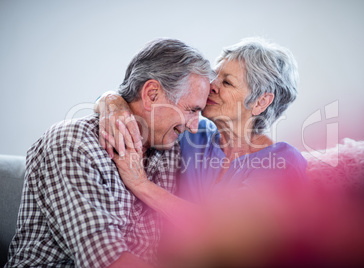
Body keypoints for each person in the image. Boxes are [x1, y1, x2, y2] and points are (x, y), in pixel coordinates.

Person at [98, 37, 307, 266]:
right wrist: (112, 103)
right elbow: (136, 100)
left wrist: (141, 184)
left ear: (260, 102)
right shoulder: (195, 132)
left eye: (227, 82)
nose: (212, 85)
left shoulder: (282, 162)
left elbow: (221, 232)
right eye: (215, 76)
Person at [5, 38, 213, 268]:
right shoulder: (73, 144)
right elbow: (106, 261)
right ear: (152, 95)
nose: (195, 125)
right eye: (192, 110)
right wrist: (110, 101)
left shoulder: (170, 147)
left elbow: (213, 233)